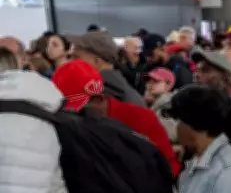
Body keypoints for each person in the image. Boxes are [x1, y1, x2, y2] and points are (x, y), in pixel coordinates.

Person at [52, 59, 181, 177]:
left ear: (98, 97)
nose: (75, 116)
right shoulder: (66, 126)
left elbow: (168, 166)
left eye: (80, 109)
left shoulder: (139, 117)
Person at [66, 31, 145, 106]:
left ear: (96, 62)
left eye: (76, 57)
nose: (70, 63)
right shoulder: (117, 89)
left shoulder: (101, 99)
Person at [143, 67, 178, 143]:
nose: (150, 84)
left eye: (155, 81)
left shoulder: (168, 106)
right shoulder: (158, 103)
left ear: (168, 84)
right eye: (148, 81)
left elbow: (169, 137)